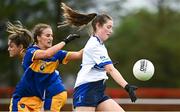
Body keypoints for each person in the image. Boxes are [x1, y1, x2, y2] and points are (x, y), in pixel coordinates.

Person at [59, 3, 138, 112]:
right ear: (98, 26)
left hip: (98, 91)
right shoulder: (95, 45)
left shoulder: (99, 43)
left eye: (112, 28)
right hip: (86, 90)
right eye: (108, 27)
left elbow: (100, 66)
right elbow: (110, 69)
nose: (111, 31)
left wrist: (102, 68)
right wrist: (127, 86)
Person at [7, 22, 82, 111]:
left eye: (51, 36)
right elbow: (47, 54)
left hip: (37, 103)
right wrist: (65, 41)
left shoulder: (57, 54)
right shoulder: (31, 51)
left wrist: (95, 41)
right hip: (22, 101)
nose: (50, 38)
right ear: (38, 37)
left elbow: (79, 55)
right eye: (47, 35)